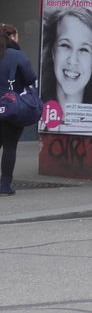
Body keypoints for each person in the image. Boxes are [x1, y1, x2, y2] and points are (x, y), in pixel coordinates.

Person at [42, 7, 92, 106]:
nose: (72, 60)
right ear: (53, 52)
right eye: (65, 45)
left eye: (83, 49)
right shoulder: (36, 106)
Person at [0, 38, 38, 196]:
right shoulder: (16, 55)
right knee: (9, 146)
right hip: (11, 106)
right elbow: (30, 78)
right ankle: (4, 187)